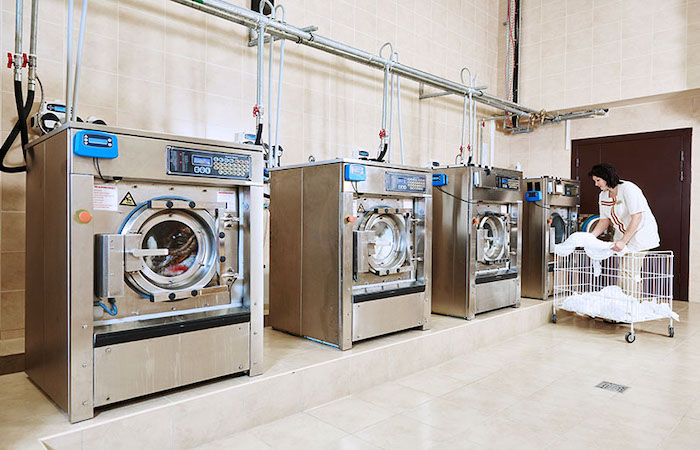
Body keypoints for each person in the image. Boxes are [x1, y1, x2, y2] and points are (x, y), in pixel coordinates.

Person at [588, 163, 660, 296]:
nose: (596, 184)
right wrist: (590, 237)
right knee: (628, 271)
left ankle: (629, 307)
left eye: (598, 180)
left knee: (627, 271)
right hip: (622, 235)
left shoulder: (628, 188)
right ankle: (632, 304)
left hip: (640, 234)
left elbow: (637, 217)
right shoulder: (603, 195)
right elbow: (604, 221)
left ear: (607, 177)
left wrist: (623, 241)